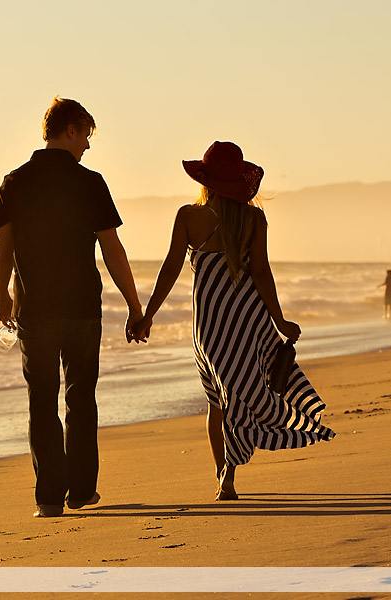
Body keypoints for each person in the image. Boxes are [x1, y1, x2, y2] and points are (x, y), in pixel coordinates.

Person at [131, 141, 335, 500]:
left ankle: (223, 475)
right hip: (250, 320)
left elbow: (171, 268)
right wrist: (280, 320)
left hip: (210, 325)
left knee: (218, 399)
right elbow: (261, 273)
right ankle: (229, 469)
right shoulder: (254, 219)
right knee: (245, 388)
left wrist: (148, 315)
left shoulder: (188, 216)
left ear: (205, 180)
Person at [0, 96, 144, 518]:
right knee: (81, 397)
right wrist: (135, 306)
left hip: (35, 309)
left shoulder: (14, 181)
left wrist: (2, 293)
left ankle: (48, 499)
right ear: (71, 130)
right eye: (86, 136)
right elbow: (113, 251)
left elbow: (3, 249)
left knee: (41, 400)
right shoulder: (90, 182)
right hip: (80, 308)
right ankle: (79, 492)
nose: (88, 146)